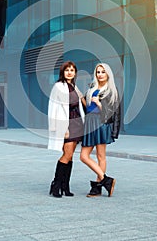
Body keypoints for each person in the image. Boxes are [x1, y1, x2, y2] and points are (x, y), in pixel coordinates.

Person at [80, 63, 121, 197]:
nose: (100, 74)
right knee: (83, 156)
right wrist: (82, 98)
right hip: (90, 123)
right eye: (98, 72)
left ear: (108, 74)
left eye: (103, 72)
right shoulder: (92, 88)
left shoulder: (112, 91)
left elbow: (113, 113)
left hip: (101, 124)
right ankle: (106, 180)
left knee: (100, 156)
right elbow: (88, 108)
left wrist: (99, 103)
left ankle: (97, 187)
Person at [48, 61, 85, 198]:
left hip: (77, 124)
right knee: (67, 155)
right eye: (67, 70)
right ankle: (56, 185)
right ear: (62, 72)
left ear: (75, 73)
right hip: (66, 124)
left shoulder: (74, 87)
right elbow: (53, 108)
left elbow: (82, 102)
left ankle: (65, 186)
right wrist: (57, 128)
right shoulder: (58, 86)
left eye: (72, 70)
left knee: (70, 156)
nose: (69, 72)